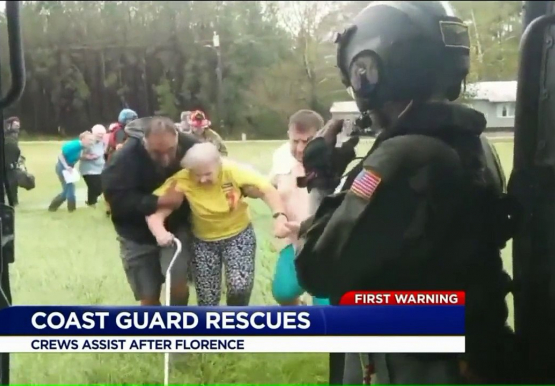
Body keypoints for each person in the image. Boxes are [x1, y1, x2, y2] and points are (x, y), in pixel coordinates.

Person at [291, 1, 516, 384]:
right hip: (474, 347)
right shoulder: (473, 143)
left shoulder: (404, 155)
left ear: (370, 71)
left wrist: (322, 181)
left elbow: (318, 267)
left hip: (416, 363)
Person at [146, 142, 290, 306]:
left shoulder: (233, 171)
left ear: (219, 165)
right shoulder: (182, 179)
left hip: (238, 235)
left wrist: (279, 216)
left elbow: (267, 190)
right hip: (203, 241)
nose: (202, 179)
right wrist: (159, 232)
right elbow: (155, 211)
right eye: (197, 174)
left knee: (239, 287)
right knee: (208, 299)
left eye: (207, 173)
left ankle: (235, 320)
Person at [101, 117, 199, 306]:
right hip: (135, 233)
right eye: (156, 153)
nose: (165, 159)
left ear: (177, 138)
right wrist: (160, 201)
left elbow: (217, 172)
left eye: (170, 151)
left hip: (176, 227)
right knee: (148, 296)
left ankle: (179, 326)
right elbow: (118, 202)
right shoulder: (124, 159)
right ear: (144, 143)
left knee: (176, 282)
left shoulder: (193, 147)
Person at [269, 110, 330, 306]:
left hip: (326, 245)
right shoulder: (281, 157)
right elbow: (268, 188)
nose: (301, 148)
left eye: (308, 141)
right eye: (295, 141)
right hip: (294, 242)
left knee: (325, 307)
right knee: (283, 293)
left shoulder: (334, 159)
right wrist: (279, 216)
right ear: (288, 135)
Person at [48, 132, 94, 213]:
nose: (91, 141)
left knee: (68, 189)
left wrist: (86, 157)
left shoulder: (82, 147)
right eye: (89, 139)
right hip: (63, 167)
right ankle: (70, 209)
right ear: (83, 139)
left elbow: (75, 156)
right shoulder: (74, 145)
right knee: (69, 190)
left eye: (92, 140)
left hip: (69, 167)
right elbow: (60, 155)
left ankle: (55, 208)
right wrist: (66, 166)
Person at [80, 124, 107, 207]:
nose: (101, 136)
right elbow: (80, 155)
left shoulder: (102, 142)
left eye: (102, 134)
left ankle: (91, 202)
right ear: (94, 133)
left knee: (97, 187)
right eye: (99, 134)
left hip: (99, 169)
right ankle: (91, 203)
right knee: (96, 187)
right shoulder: (89, 142)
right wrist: (89, 157)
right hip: (88, 169)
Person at [3, 117, 22, 206]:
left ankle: (13, 201)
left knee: (12, 183)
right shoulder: (7, 137)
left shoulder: (13, 136)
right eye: (15, 125)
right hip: (7, 163)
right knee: (10, 182)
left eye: (18, 126)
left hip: (11, 163)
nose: (17, 127)